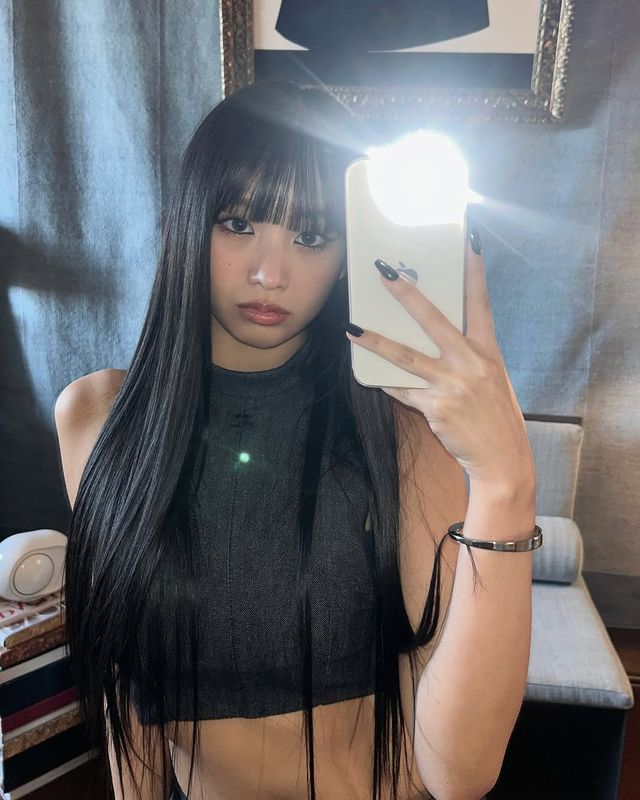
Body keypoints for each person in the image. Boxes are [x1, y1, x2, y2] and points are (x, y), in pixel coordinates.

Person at [54, 80, 538, 800]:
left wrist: (506, 483)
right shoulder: (96, 417)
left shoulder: (396, 420)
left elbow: (460, 772)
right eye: (237, 223)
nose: (270, 274)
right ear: (189, 223)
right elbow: (128, 689)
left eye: (311, 237)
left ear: (348, 254)